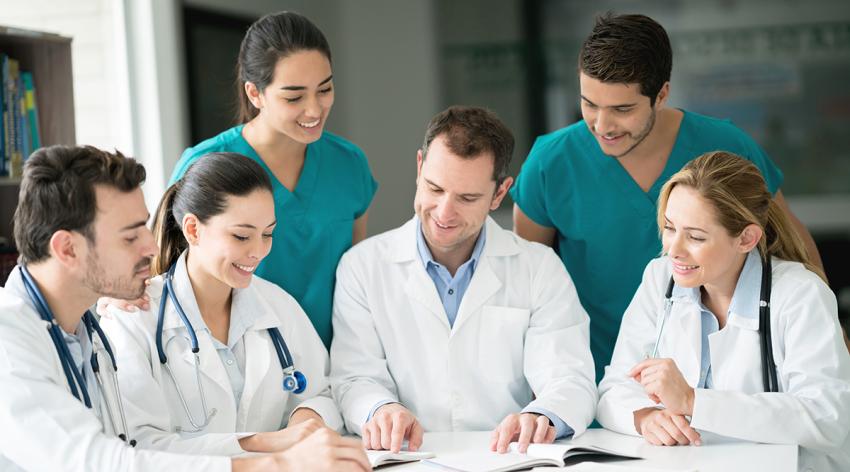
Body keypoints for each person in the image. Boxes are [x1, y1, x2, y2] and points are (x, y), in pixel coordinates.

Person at [0, 145, 369, 471]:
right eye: (130, 235)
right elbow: (106, 461)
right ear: (67, 249)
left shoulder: (86, 331)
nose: (150, 245)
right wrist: (278, 464)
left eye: (144, 228)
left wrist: (275, 444)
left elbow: (126, 442)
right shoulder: (9, 341)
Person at [510, 13, 825, 381]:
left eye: (622, 109)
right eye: (589, 104)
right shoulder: (550, 163)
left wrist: (826, 338)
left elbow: (794, 251)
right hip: (585, 380)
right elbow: (526, 288)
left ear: (661, 94)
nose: (602, 125)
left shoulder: (726, 146)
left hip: (711, 378)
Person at [330, 106, 597, 455]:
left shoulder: (538, 268)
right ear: (419, 167)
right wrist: (380, 409)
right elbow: (353, 377)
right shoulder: (362, 267)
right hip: (406, 457)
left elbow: (570, 378)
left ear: (499, 194)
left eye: (467, 198)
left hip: (504, 459)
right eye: (434, 188)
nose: (444, 213)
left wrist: (542, 416)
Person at [107, 11, 377, 349]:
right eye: (294, 97)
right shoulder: (205, 163)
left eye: (325, 89)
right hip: (239, 358)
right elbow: (161, 264)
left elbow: (357, 276)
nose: (314, 109)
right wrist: (120, 295)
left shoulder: (349, 165)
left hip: (332, 359)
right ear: (255, 93)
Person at [596, 151, 850, 471]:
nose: (673, 249)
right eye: (670, 228)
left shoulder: (800, 294)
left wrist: (692, 401)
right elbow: (613, 388)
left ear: (746, 238)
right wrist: (644, 416)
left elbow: (827, 417)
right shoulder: (660, 279)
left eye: (696, 236)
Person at [100, 152, 343, 455]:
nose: (258, 252)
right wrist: (263, 443)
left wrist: (307, 418)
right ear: (192, 230)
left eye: (268, 234)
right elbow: (139, 444)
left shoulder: (278, 307)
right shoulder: (134, 318)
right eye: (242, 236)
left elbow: (324, 392)